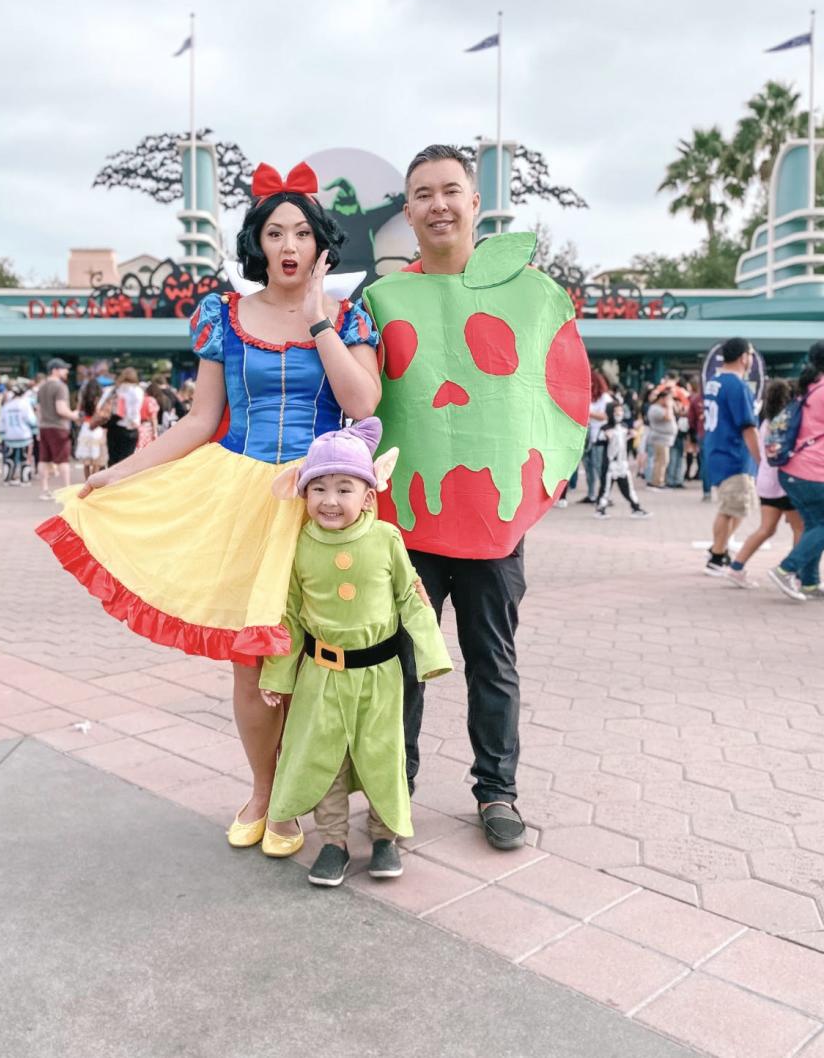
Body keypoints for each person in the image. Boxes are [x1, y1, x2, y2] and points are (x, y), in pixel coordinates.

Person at [36, 160, 381, 846]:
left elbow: (362, 403)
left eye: (302, 232)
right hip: (242, 500)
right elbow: (199, 420)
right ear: (258, 242)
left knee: (321, 659)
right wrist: (123, 472)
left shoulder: (349, 313)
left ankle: (310, 791)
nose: (288, 244)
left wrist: (318, 324)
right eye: (275, 231)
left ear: (320, 245)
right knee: (253, 664)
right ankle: (264, 793)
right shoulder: (223, 314)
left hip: (324, 499)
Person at [362, 144, 588, 851]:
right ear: (407, 211)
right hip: (405, 522)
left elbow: (561, 392)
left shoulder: (533, 294)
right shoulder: (380, 299)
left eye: (450, 190)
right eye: (423, 193)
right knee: (400, 663)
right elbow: (359, 402)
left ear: (474, 203)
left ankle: (498, 792)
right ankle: (392, 797)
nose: (438, 204)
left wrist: (536, 484)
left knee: (492, 660)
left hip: (494, 522)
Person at [259, 419, 452, 882]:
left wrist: (431, 654)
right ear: (304, 494)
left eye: (344, 489)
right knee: (327, 757)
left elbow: (412, 597)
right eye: (319, 488)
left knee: (383, 753)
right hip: (321, 676)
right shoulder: (300, 544)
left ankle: (385, 836)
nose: (330, 500)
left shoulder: (385, 538)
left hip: (381, 674)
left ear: (367, 495)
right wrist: (277, 675)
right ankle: (333, 841)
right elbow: (288, 613)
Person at [726, 379, 802, 589]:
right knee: (800, 528)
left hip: (766, 482)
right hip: (785, 483)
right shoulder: (788, 423)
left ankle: (736, 566)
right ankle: (795, 574)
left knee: (766, 529)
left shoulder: (766, 422)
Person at [768, 341, 824, 601]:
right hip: (812, 473)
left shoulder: (809, 388)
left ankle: (810, 582)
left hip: (793, 470)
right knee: (821, 525)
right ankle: (786, 569)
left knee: (815, 524)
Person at [702, 337, 760, 576]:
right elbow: (748, 427)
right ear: (743, 357)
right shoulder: (737, 386)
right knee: (732, 509)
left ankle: (719, 547)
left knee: (735, 507)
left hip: (717, 450)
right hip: (734, 455)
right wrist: (761, 460)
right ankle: (717, 555)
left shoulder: (714, 381)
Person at [594, 402, 651, 519]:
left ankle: (636, 507)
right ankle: (600, 509)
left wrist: (631, 435)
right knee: (605, 487)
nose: (619, 414)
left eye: (620, 411)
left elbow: (626, 442)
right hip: (610, 463)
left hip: (622, 463)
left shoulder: (624, 427)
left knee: (628, 487)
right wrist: (605, 436)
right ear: (610, 413)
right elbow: (598, 441)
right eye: (616, 411)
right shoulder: (605, 428)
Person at [37, 359, 79, 501]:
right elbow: (61, 409)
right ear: (55, 370)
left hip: (44, 427)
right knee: (63, 460)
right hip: (59, 427)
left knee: (44, 459)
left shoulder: (41, 387)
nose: (66, 371)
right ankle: (67, 490)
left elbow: (38, 410)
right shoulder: (61, 387)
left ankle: (44, 490)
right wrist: (74, 415)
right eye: (64, 368)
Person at [99, 367, 144, 466]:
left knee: (113, 458)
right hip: (130, 428)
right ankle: (124, 481)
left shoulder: (113, 389)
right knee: (127, 460)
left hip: (114, 426)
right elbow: (135, 410)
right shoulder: (138, 390)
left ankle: (112, 480)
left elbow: (100, 405)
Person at [582, 371, 613, 502]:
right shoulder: (586, 396)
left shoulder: (605, 398)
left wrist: (587, 412)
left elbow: (606, 416)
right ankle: (591, 494)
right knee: (588, 466)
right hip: (587, 436)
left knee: (599, 467)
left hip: (599, 437)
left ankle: (604, 495)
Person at [0, 382, 38, 485]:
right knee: (25, 458)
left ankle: (7, 479)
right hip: (24, 436)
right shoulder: (25, 404)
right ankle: (24, 480)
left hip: (9, 436)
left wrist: (2, 435)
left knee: (9, 458)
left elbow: (1, 422)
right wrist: (35, 431)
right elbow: (32, 420)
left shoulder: (6, 406)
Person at [74, 377, 106, 479]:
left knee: (86, 460)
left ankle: (87, 481)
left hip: (85, 428)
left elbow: (78, 414)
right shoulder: (100, 399)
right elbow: (100, 414)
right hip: (97, 427)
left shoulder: (83, 399)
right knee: (96, 457)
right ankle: (94, 481)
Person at [646, 389, 677, 491]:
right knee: (661, 461)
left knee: (663, 461)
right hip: (659, 439)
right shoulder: (655, 409)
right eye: (668, 399)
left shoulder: (662, 408)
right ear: (662, 399)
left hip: (665, 439)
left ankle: (659, 481)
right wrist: (669, 406)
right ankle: (657, 482)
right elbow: (667, 417)